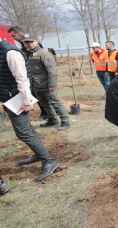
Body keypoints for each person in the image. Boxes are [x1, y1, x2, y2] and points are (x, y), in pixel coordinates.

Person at [0, 39, 58, 181]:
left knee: (23, 132)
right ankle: (39, 154)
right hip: (9, 98)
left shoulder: (11, 53)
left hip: (17, 98)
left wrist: (26, 100)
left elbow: (22, 78)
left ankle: (48, 161)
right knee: (27, 129)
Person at [23, 36, 70, 130]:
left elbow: (52, 71)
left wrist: (52, 85)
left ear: (36, 42)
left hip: (47, 85)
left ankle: (65, 121)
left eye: (31, 42)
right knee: (45, 104)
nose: (28, 44)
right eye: (26, 42)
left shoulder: (44, 53)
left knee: (55, 103)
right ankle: (52, 120)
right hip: (37, 85)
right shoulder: (30, 54)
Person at [8, 26, 49, 120]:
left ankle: (48, 113)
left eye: (14, 35)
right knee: (34, 93)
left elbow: (40, 52)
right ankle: (44, 112)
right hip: (30, 72)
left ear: (19, 33)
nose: (13, 37)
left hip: (38, 72)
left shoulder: (29, 40)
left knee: (41, 93)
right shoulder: (21, 44)